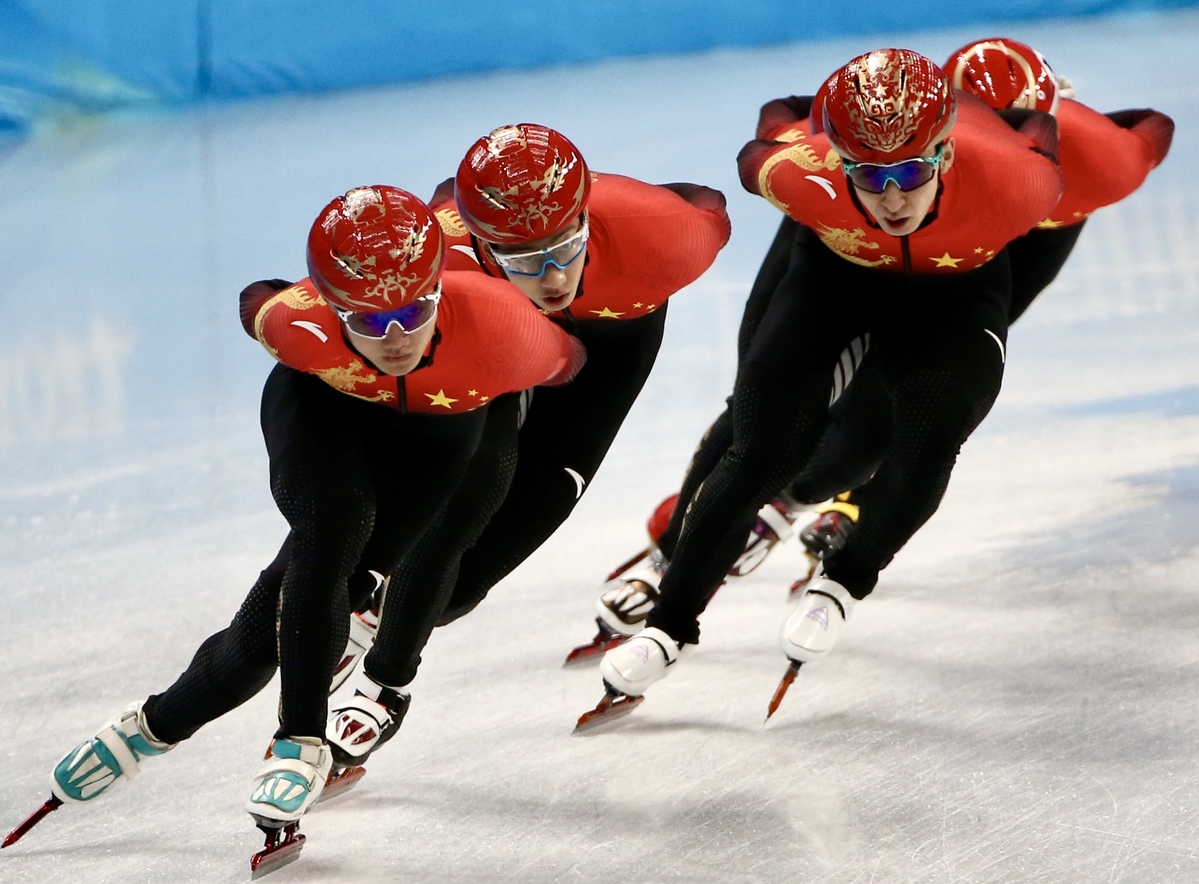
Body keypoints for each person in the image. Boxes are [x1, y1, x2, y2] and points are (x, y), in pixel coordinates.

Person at [15, 185, 584, 866]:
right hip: (323, 411)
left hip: (441, 426)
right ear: (334, 309)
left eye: (411, 312)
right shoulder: (296, 326)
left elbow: (571, 369)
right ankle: (297, 742)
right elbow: (258, 298)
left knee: (276, 630)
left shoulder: (509, 330)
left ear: (439, 288)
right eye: (371, 324)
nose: (396, 338)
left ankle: (152, 724)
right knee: (333, 532)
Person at [587, 37, 1173, 647]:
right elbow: (797, 116)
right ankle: (677, 561)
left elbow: (1149, 132)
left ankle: (813, 496)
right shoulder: (879, 151)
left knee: (895, 409)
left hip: (987, 247)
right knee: (760, 399)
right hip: (851, 235)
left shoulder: (1094, 161)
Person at [323, 124, 731, 765]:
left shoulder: (667, 233)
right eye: (521, 258)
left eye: (564, 246)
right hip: (503, 333)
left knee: (524, 518)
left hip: (611, 342)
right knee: (471, 485)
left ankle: (388, 625)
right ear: (478, 242)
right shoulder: (445, 252)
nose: (549, 277)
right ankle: (384, 682)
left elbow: (712, 200)